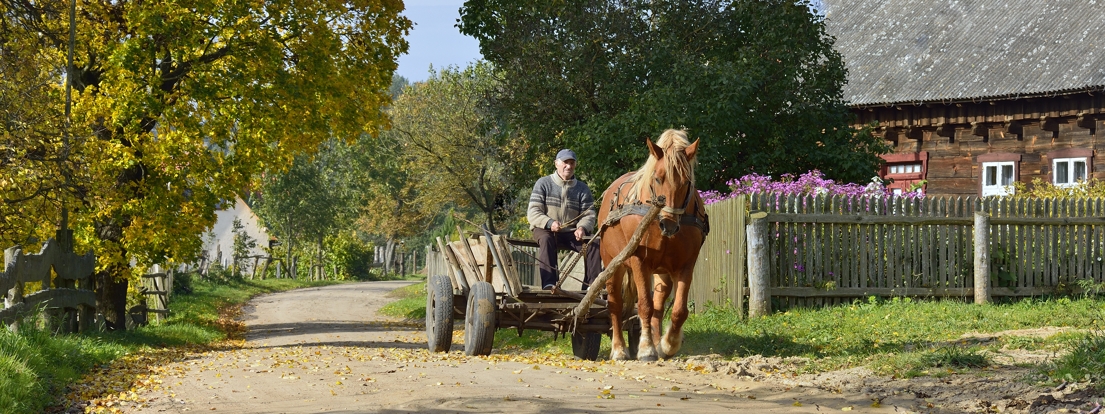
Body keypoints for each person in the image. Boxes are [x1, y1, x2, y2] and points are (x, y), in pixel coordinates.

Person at [527, 149, 602, 290]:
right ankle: (549, 284)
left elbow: (589, 214)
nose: (568, 166)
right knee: (546, 239)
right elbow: (533, 212)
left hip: (571, 233)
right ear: (556, 164)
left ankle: (591, 287)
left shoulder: (582, 188)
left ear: (575, 165)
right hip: (545, 230)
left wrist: (582, 228)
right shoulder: (543, 183)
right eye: (565, 162)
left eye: (572, 163)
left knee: (594, 243)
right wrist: (549, 223)